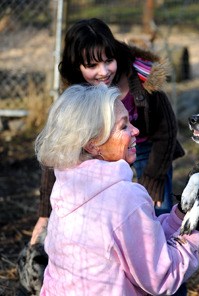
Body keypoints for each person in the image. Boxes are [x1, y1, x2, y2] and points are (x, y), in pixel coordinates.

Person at [26, 17, 188, 294]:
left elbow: (167, 130)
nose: (103, 72)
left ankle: (171, 282)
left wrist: (152, 179)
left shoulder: (140, 75)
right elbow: (58, 155)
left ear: (116, 54)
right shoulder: (78, 97)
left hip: (148, 150)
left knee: (157, 223)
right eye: (91, 65)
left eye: (108, 60)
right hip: (106, 154)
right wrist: (45, 213)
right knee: (122, 223)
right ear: (76, 66)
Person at [35, 83, 199, 295]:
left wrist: (180, 217)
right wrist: (195, 227)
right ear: (93, 144)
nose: (136, 130)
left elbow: (135, 239)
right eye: (123, 126)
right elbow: (162, 278)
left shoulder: (67, 186)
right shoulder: (124, 198)